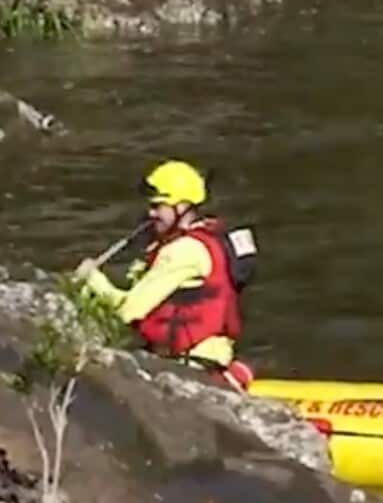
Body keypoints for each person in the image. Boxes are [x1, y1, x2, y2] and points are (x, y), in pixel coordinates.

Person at [73, 160, 256, 391]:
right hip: (212, 360)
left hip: (189, 368)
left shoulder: (181, 251)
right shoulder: (206, 240)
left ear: (181, 207)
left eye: (158, 206)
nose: (151, 213)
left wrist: (92, 280)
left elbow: (127, 311)